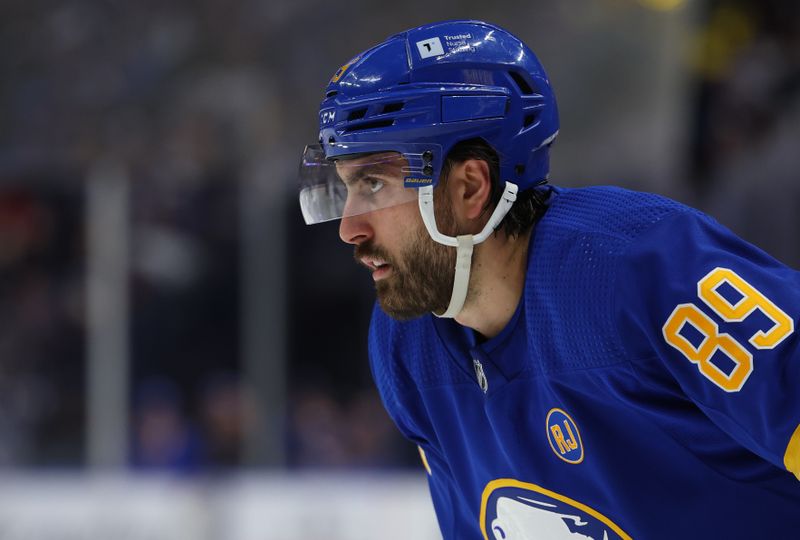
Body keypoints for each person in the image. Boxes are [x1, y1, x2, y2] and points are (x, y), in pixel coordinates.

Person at [297, 20, 800, 539]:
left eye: (374, 185)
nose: (350, 228)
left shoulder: (641, 269)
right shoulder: (407, 343)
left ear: (470, 187)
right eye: (345, 189)